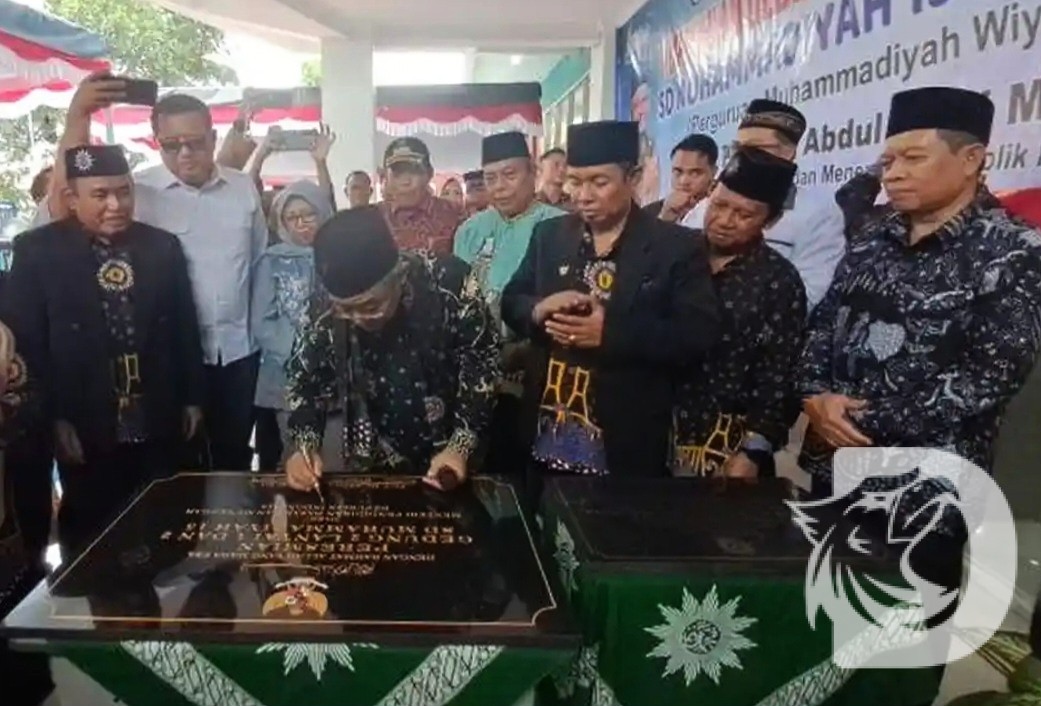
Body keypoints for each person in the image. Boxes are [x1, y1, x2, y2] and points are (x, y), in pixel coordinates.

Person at [796, 87, 1041, 702]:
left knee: (901, 654)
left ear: (972, 158)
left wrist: (864, 419)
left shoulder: (1012, 251)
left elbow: (991, 373)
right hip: (834, 474)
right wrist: (814, 395)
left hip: (926, 494)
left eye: (913, 158)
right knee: (822, 630)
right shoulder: (873, 236)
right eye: (888, 160)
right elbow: (825, 322)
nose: (894, 173)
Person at [38, 78, 268, 472]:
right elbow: (56, 218)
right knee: (178, 471)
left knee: (233, 463)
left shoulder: (243, 189)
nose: (185, 153)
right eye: (172, 144)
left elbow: (259, 265)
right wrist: (77, 117)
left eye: (196, 142)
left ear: (214, 138)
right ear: (156, 140)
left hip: (236, 355)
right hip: (166, 364)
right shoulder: (134, 191)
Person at [3, 145, 205, 557]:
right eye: (100, 194)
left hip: (155, 405)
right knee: (91, 523)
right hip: (84, 413)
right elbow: (30, 347)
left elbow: (184, 327)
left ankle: (155, 590)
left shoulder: (161, 246)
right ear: (71, 198)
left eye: (124, 191)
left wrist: (192, 398)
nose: (116, 204)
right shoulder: (38, 251)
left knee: (159, 515)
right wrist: (56, 419)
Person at [501, 120, 718, 494]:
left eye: (599, 182)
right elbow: (512, 301)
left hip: (625, 438)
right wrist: (538, 309)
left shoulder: (676, 247)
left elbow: (697, 335)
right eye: (574, 181)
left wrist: (611, 333)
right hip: (545, 431)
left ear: (632, 178)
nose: (583, 195)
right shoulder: (550, 236)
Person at [283, 206, 499, 490]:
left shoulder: (450, 282)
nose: (357, 318)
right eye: (346, 310)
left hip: (450, 455)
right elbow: (305, 378)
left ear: (399, 275)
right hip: (370, 454)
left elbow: (481, 361)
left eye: (370, 306)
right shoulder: (323, 304)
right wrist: (305, 447)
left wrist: (460, 445)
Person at [672, 147, 806, 477]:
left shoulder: (779, 281)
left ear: (771, 220)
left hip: (728, 447)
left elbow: (779, 375)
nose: (724, 221)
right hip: (657, 428)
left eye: (744, 215)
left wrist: (754, 451)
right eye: (718, 205)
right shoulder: (675, 253)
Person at [454, 131, 566, 476]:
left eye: (509, 175)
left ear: (532, 172)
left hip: (534, 370)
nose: (500, 187)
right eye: (490, 178)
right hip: (475, 372)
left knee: (526, 469)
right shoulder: (470, 230)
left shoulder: (559, 226)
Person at [681, 99, 845, 311]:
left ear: (789, 154)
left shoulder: (819, 214)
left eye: (754, 149)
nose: (742, 157)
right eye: (738, 148)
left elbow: (809, 297)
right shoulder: (706, 205)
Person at [251, 180, 335, 466]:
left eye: (309, 215)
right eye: (292, 217)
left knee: (335, 453)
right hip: (287, 371)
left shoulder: (339, 255)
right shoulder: (272, 260)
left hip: (337, 370)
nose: (301, 224)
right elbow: (262, 320)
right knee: (298, 452)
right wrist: (301, 355)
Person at [378, 137, 461, 255]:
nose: (406, 181)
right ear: (385, 177)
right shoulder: (372, 219)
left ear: (429, 173)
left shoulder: (453, 215)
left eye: (414, 171)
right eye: (397, 173)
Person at [644, 133, 718, 222]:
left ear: (713, 172)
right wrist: (664, 218)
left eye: (694, 173)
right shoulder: (649, 213)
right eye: (678, 172)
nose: (683, 181)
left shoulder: (723, 210)